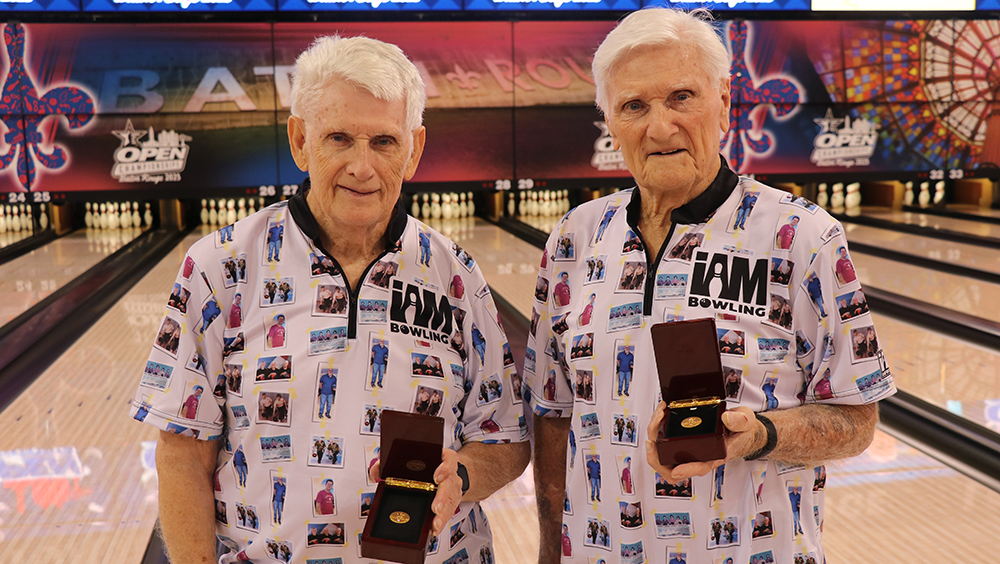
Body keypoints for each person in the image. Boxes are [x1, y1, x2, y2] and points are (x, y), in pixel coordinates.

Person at [130, 35, 529, 564]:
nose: (362, 166)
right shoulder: (219, 266)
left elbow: (505, 436)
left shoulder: (455, 274)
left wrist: (466, 475)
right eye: (339, 138)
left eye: (384, 142)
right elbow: (181, 453)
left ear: (414, 150)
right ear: (300, 141)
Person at [525, 9, 894, 564]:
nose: (659, 126)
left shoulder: (804, 237)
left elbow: (857, 421)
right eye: (634, 106)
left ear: (723, 100)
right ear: (609, 120)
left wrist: (758, 434)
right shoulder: (572, 240)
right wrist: (548, 552)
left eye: (680, 97)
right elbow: (553, 415)